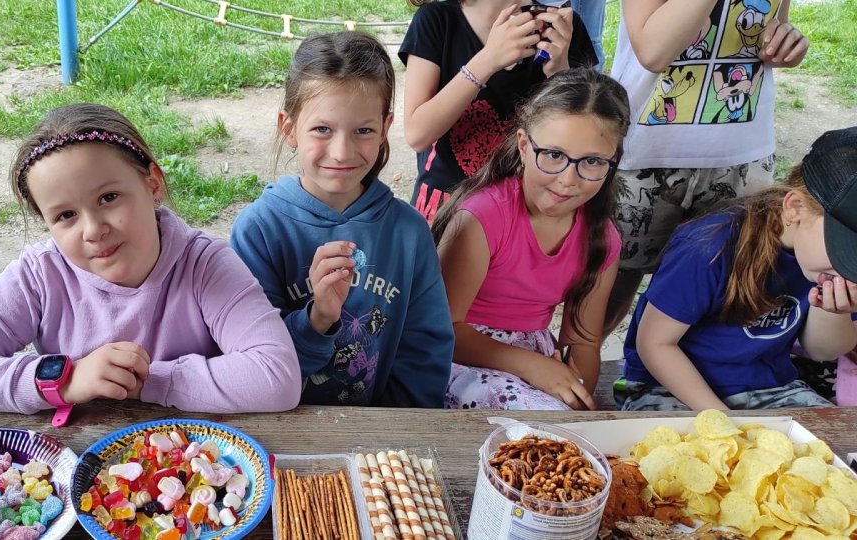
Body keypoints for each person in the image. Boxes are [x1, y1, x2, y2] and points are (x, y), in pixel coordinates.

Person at [0, 103, 300, 421]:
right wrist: (63, 381)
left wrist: (144, 380)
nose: (93, 230)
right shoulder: (40, 275)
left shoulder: (204, 265)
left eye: (108, 198)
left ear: (152, 185)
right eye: (65, 216)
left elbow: (277, 375)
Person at [230, 32, 454, 407]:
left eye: (363, 130)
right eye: (322, 129)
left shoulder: (409, 233)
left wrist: (394, 431)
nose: (342, 151)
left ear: (385, 129)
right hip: (277, 425)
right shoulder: (258, 231)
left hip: (382, 435)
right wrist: (317, 318)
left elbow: (425, 354)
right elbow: (252, 365)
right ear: (289, 128)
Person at [603, 0, 810, 333]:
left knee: (715, 296)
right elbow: (653, 52)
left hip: (741, 157)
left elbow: (771, 28)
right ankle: (576, 363)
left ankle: (662, 365)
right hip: (645, 156)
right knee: (611, 293)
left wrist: (786, 43)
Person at [617, 127, 857, 411]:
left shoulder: (827, 267)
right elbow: (654, 344)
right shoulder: (708, 246)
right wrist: (724, 421)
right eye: (846, 246)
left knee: (838, 439)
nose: (848, 268)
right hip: (670, 388)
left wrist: (834, 311)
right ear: (795, 207)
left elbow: (821, 351)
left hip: (770, 387)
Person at [434, 68, 627, 410]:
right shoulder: (483, 217)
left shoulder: (602, 239)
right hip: (461, 359)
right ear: (524, 146)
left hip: (536, 360)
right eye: (553, 155)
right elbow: (442, 330)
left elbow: (583, 342)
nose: (568, 179)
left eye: (592, 162)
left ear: (612, 161)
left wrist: (578, 395)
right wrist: (534, 367)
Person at [399, 0, 598, 222]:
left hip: (523, 217)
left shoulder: (561, 28)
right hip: (444, 212)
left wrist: (560, 72)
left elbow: (586, 140)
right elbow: (418, 135)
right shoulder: (437, 19)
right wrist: (487, 60)